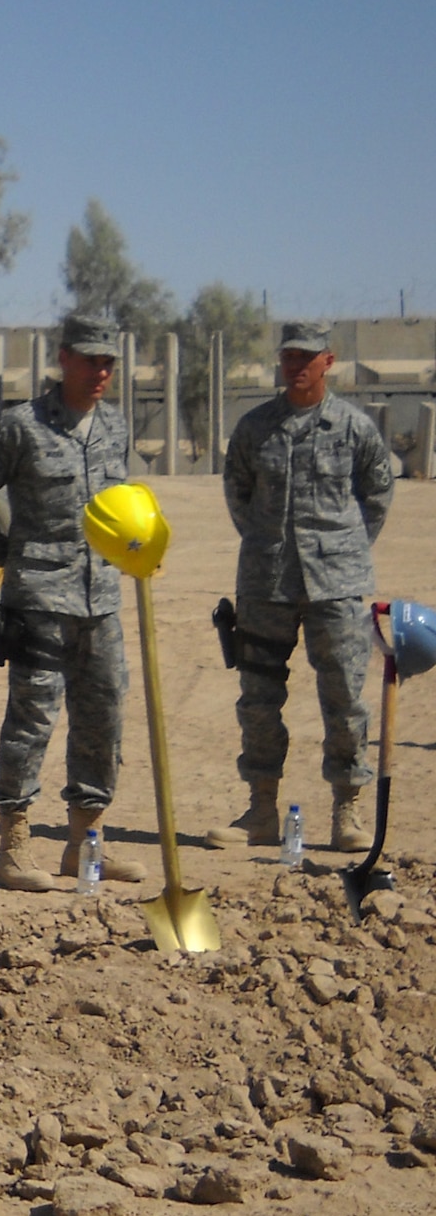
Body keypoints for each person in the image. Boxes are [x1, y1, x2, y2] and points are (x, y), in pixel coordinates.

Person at [0, 312, 147, 890]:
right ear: (63, 359)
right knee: (31, 720)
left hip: (102, 600)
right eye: (90, 360)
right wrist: (10, 553)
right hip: (39, 599)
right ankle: (14, 846)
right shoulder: (22, 427)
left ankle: (87, 843)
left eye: (108, 362)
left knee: (103, 716)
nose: (100, 372)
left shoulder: (116, 428)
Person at [207, 319, 393, 850]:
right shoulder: (255, 427)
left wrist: (345, 550)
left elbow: (376, 495)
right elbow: (237, 492)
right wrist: (267, 543)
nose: (295, 366)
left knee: (344, 699)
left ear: (327, 361)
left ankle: (346, 813)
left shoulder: (354, 429)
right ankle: (261, 810)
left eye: (306, 357)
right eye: (288, 356)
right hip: (266, 584)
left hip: (336, 586)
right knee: (259, 699)